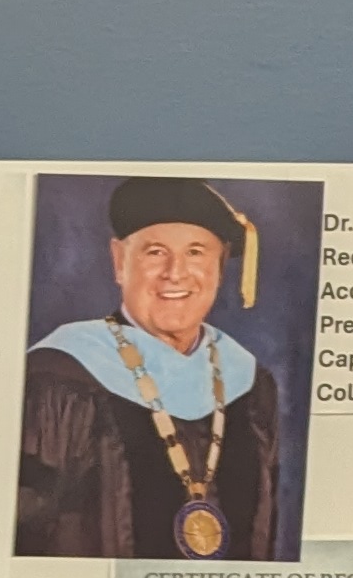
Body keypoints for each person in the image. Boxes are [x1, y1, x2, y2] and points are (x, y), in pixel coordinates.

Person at [16, 176, 284, 558]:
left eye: (196, 252)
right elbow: (32, 533)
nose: (175, 272)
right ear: (119, 262)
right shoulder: (60, 377)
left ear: (220, 266)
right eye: (155, 252)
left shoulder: (250, 381)